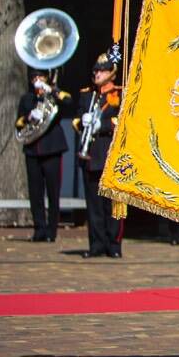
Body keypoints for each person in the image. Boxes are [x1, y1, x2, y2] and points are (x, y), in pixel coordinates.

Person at [74, 53, 123, 258]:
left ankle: (114, 245)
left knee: (112, 205)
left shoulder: (120, 94)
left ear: (111, 73)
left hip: (110, 155)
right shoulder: (87, 95)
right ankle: (96, 244)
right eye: (95, 70)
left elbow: (122, 121)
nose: (96, 73)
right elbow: (76, 121)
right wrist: (82, 122)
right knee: (93, 205)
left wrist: (101, 124)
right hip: (91, 156)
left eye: (100, 70)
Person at [17, 69, 72, 242]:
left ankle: (51, 230)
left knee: (53, 192)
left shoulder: (55, 95)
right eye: (34, 78)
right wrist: (28, 117)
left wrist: (52, 90)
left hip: (52, 148)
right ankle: (39, 229)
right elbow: (18, 123)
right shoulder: (27, 99)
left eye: (40, 77)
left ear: (46, 78)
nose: (37, 80)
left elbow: (69, 101)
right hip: (33, 150)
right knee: (35, 192)